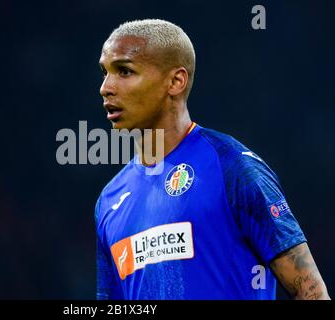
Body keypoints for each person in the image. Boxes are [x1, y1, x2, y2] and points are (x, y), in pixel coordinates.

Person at [94, 19, 330, 300]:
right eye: (105, 72)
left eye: (124, 71)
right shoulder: (110, 200)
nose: (106, 87)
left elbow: (310, 292)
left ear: (175, 81)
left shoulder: (233, 168)